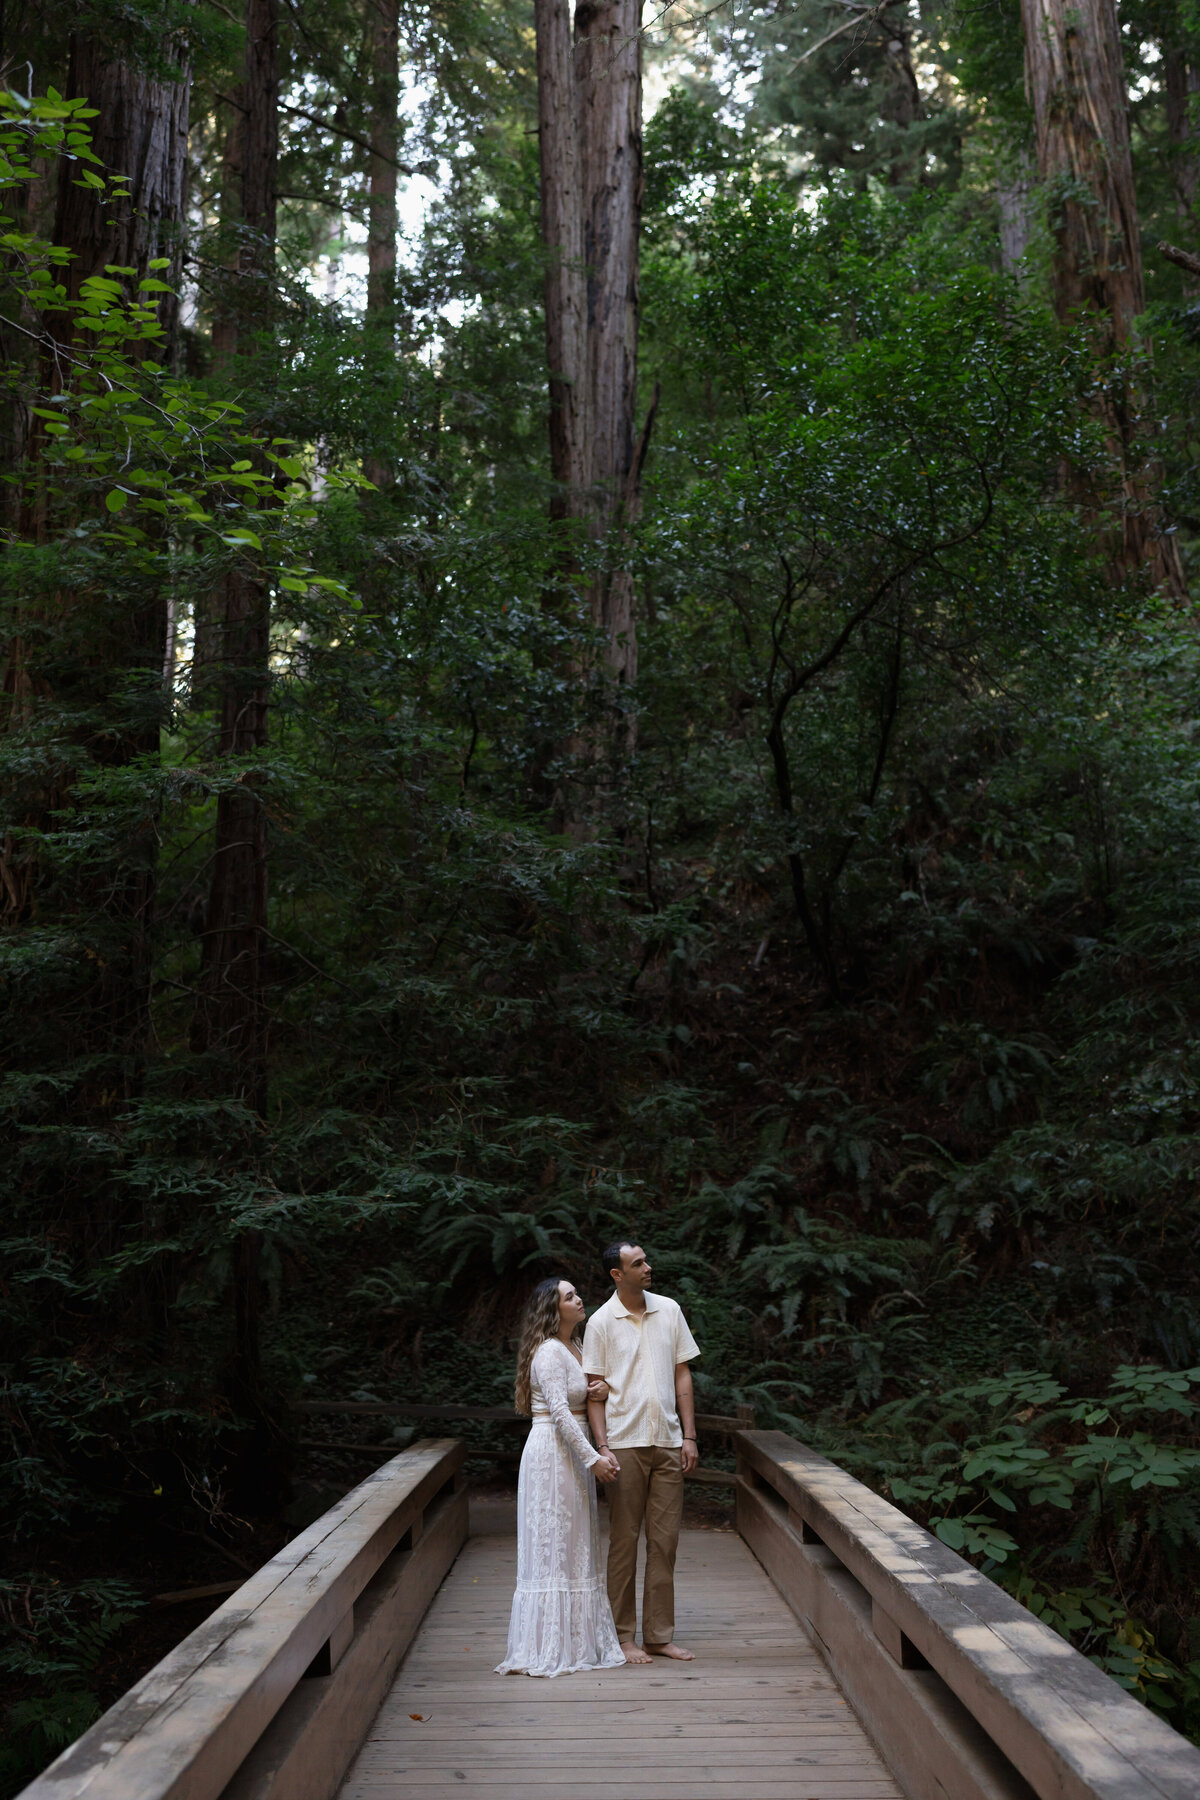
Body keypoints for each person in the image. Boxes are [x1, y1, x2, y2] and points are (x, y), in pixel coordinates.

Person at [495, 1276, 625, 1678]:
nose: (579, 1299)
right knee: (554, 1543)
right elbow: (560, 1413)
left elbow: (580, 1396)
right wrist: (593, 1459)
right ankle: (549, 1645)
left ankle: (577, 1640)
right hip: (553, 1453)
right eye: (570, 1297)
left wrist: (598, 1389)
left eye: (576, 1293)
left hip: (572, 1450)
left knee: (576, 1542)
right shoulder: (549, 1352)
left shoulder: (576, 1347)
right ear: (554, 1310)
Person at [583, 1239, 701, 1664]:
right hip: (624, 1445)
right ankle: (622, 1636)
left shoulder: (669, 1309)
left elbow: (682, 1375)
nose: (648, 1267)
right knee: (624, 1541)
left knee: (665, 1541)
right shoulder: (600, 1322)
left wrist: (689, 1435)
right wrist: (603, 1447)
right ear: (618, 1274)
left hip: (668, 1442)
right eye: (638, 1263)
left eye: (646, 1260)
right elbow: (593, 1392)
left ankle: (658, 1635)